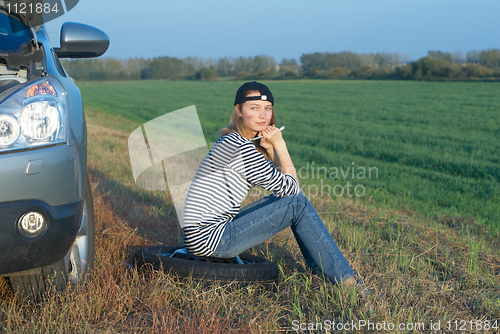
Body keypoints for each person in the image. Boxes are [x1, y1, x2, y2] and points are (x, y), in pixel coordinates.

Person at [183, 81, 361, 289]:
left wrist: (269, 152)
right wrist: (279, 144)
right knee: (297, 204)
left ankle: (324, 268)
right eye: (254, 108)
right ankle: (346, 282)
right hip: (212, 240)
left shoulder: (232, 141)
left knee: (289, 200)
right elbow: (292, 189)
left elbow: (283, 188)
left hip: (204, 235)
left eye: (267, 109)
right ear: (239, 110)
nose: (263, 115)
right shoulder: (241, 149)